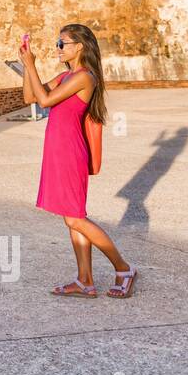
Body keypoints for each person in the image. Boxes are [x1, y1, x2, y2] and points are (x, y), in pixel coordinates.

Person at [18, 23, 137, 298]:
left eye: (63, 43)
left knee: (76, 218)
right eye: (58, 44)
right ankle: (85, 280)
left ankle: (123, 268)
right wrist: (27, 64)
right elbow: (30, 97)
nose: (58, 49)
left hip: (70, 152)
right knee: (71, 218)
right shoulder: (64, 77)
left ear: (79, 47)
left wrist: (32, 66)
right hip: (57, 152)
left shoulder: (85, 77)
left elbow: (45, 101)